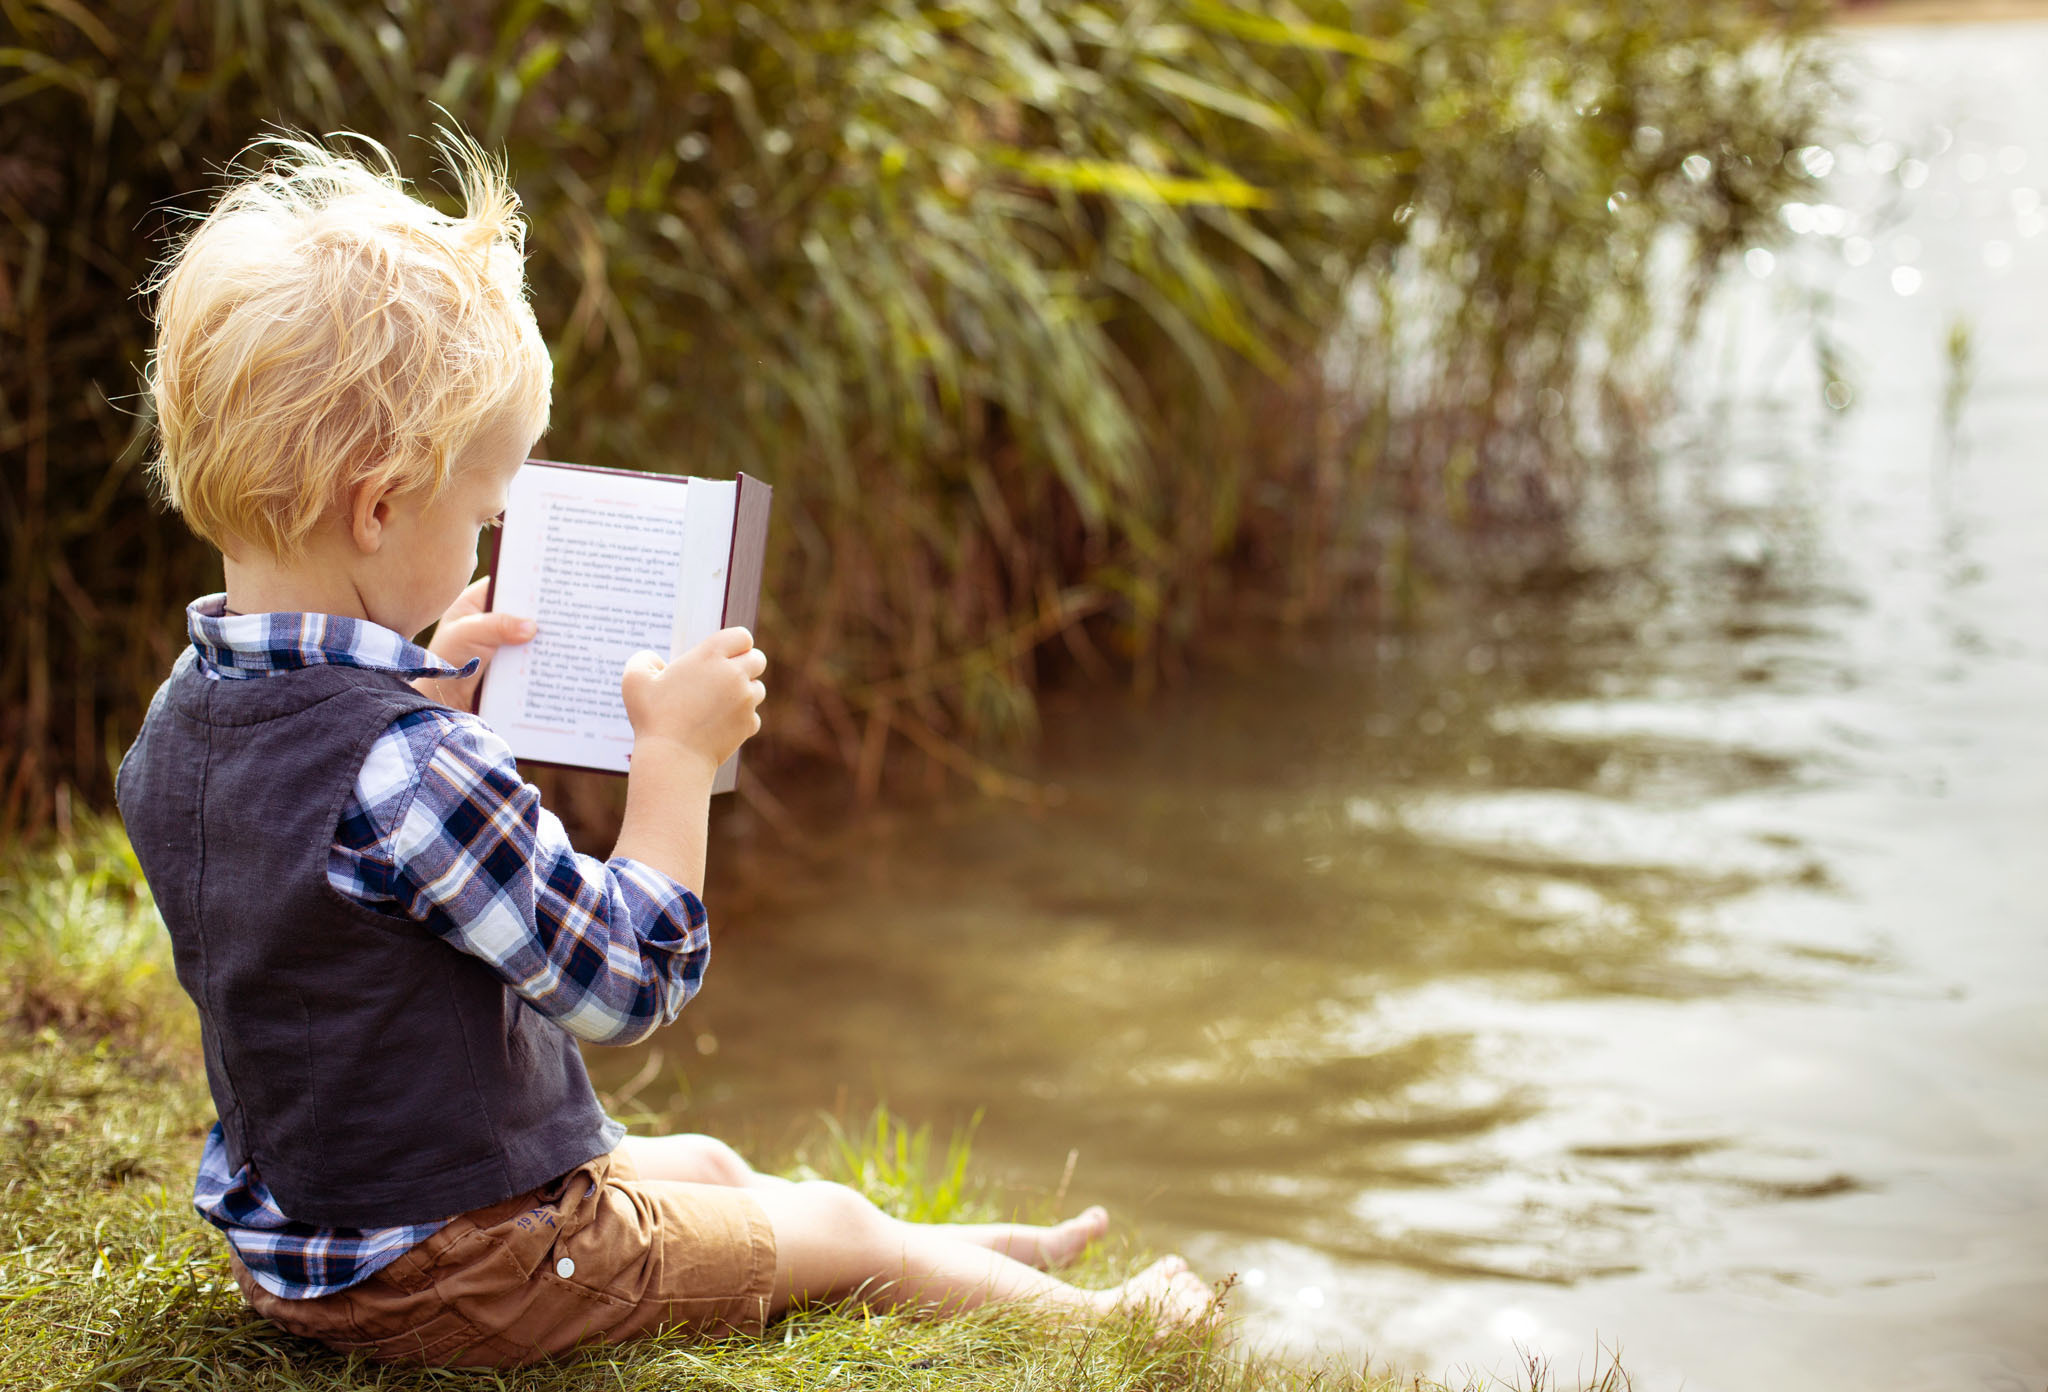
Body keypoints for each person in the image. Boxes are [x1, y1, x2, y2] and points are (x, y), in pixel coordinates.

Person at [113, 129, 1215, 1367]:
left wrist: (442, 697)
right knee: (837, 1226)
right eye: (481, 515)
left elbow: (332, 925)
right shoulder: (408, 767)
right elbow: (623, 983)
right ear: (376, 507)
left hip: (310, 1238)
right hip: (461, 1267)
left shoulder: (179, 722)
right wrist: (673, 765)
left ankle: (952, 1259)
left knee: (707, 1163)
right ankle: (1109, 1323)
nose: (486, 547)